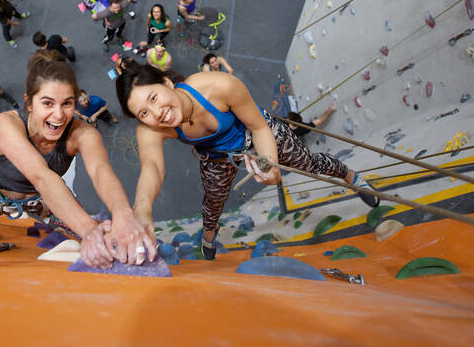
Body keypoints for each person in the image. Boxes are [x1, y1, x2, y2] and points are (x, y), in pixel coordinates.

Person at [115, 66, 380, 260]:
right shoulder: (151, 129)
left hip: (254, 132)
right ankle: (209, 235)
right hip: (217, 154)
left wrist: (271, 169)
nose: (156, 113)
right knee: (214, 198)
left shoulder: (219, 86)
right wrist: (142, 208)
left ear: (166, 82)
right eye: (144, 113)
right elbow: (152, 167)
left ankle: (348, 175)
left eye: (153, 98)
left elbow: (259, 127)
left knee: (307, 162)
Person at [0, 51, 155, 268]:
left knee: (87, 230)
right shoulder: (6, 123)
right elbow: (41, 176)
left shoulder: (82, 134)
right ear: (29, 103)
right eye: (48, 103)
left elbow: (101, 171)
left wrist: (122, 213)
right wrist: (90, 231)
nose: (58, 115)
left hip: (43, 198)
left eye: (67, 103)